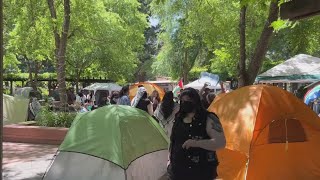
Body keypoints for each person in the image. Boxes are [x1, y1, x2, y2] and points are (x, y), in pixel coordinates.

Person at [167, 87, 226, 180]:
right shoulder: (179, 117)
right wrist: (170, 159)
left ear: (195, 101)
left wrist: (196, 143)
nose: (185, 103)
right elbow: (173, 140)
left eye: (188, 100)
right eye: (182, 101)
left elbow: (221, 143)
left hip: (201, 171)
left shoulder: (209, 118)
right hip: (177, 170)